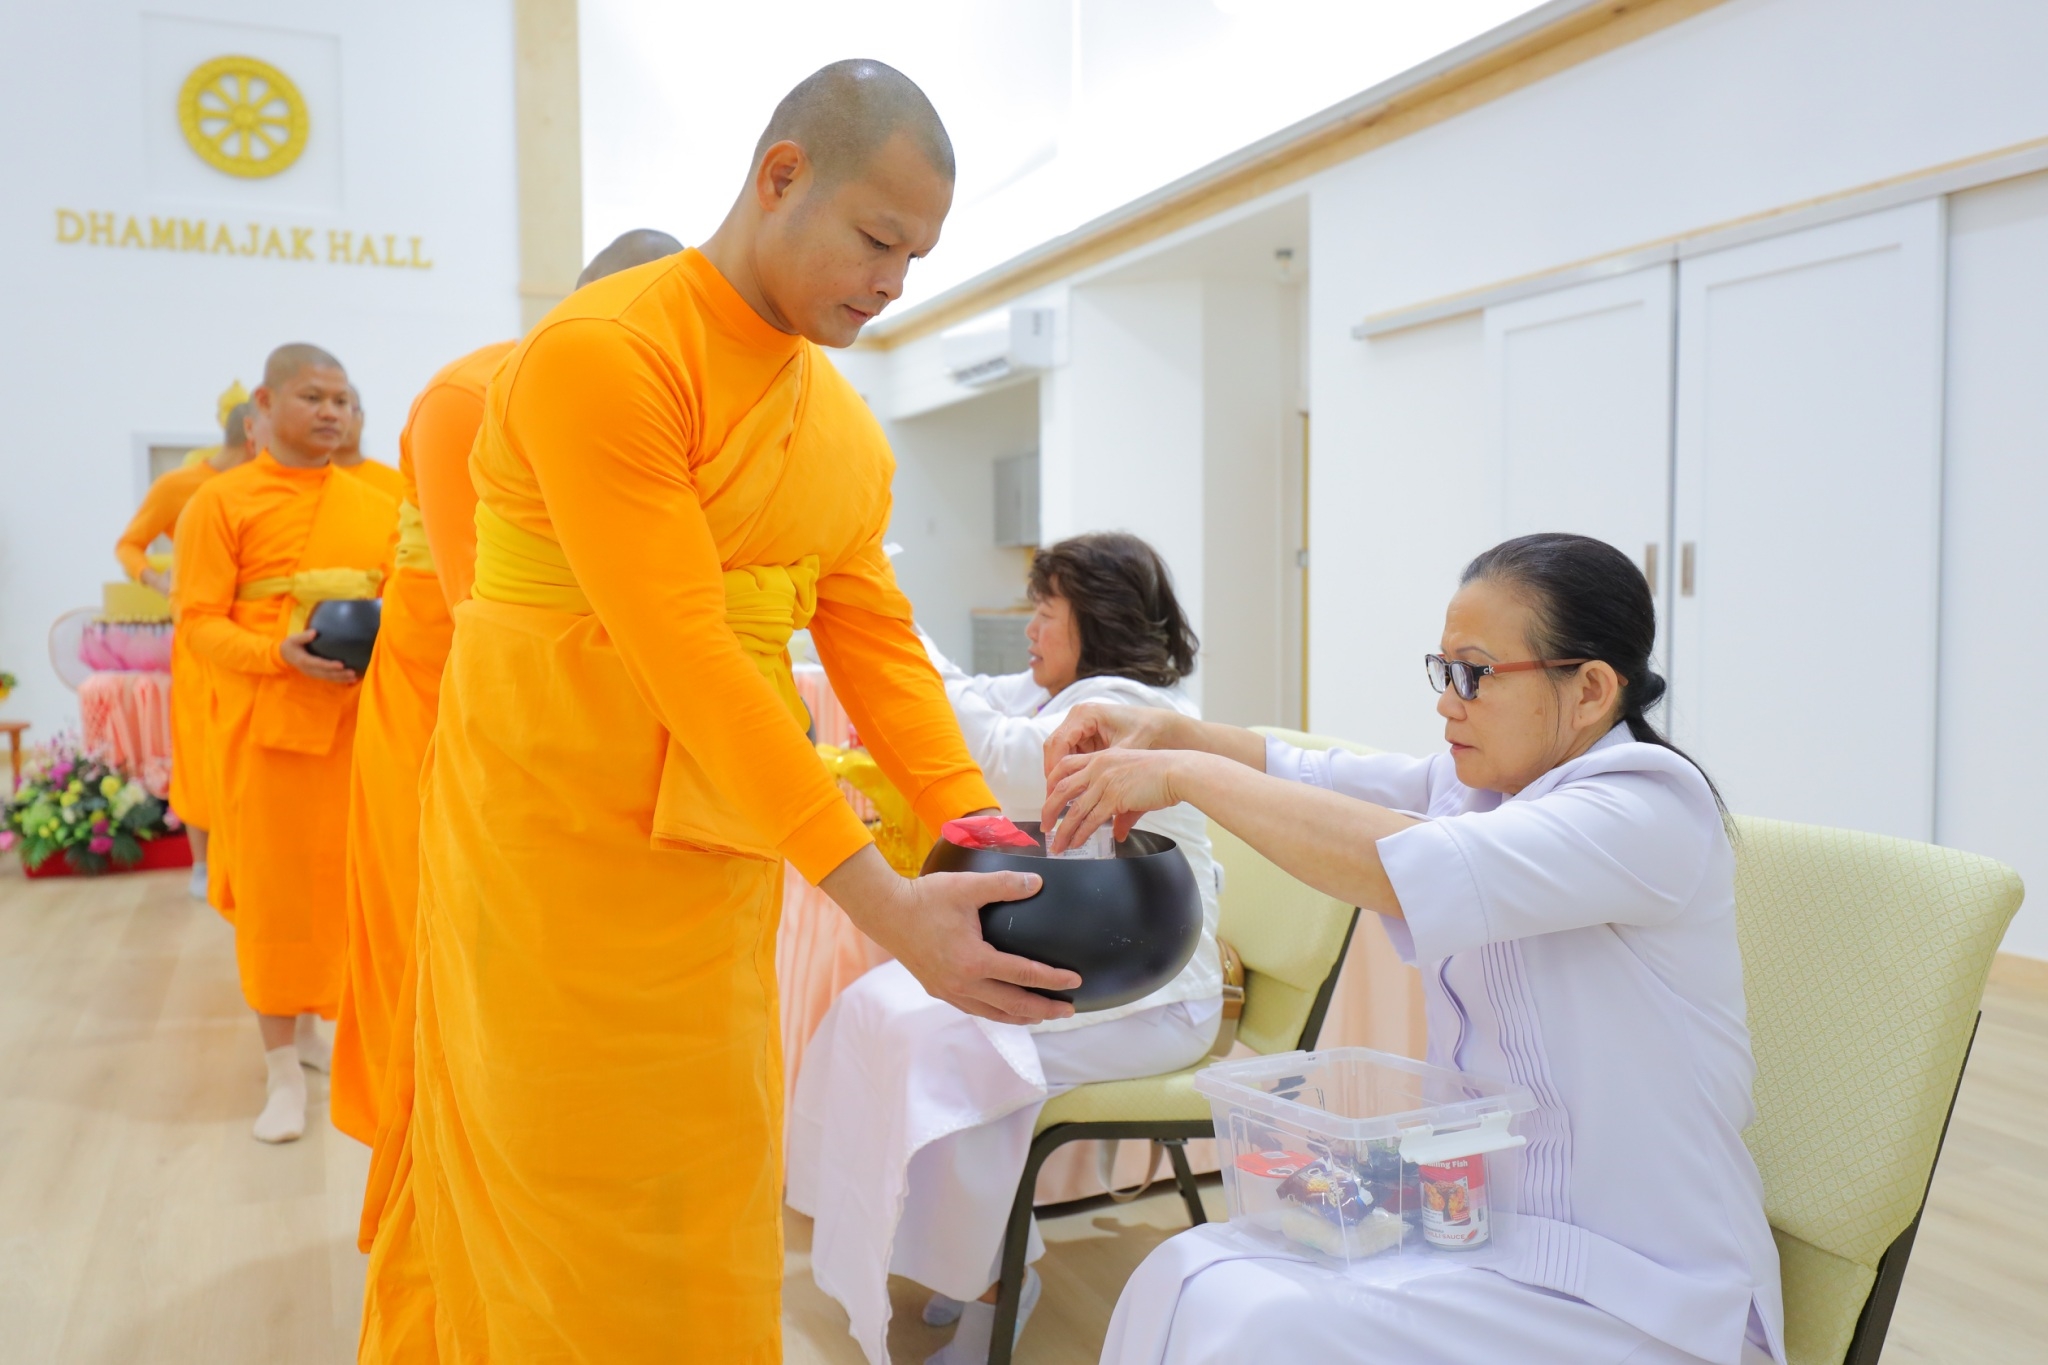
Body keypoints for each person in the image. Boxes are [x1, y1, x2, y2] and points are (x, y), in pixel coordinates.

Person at [357, 62, 1077, 1363]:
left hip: (714, 858)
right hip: (548, 841)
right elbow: (684, 653)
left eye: (915, 258)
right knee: (559, 1169)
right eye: (877, 239)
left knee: (700, 1174)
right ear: (781, 175)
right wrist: (880, 903)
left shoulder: (843, 431)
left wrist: (975, 827)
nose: (891, 283)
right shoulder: (606, 353)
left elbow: (876, 645)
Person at [1042, 533, 1782, 1365]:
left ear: (1591, 690)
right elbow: (1311, 775)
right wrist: (1170, 731)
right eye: (1443, 671)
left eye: (1475, 673)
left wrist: (1182, 774)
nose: (1448, 702)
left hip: (1647, 1293)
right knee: (1189, 1269)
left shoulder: (1649, 809)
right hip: (1492, 1237)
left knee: (1259, 1324)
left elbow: (1398, 863)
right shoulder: (1483, 790)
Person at [787, 531, 1224, 1365]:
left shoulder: (1122, 712)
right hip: (1084, 974)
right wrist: (872, 612)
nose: (1030, 630)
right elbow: (951, 690)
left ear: (1091, 619)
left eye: (1044, 611)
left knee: (947, 1042)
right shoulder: (1052, 693)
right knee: (874, 1006)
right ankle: (961, 1259)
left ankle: (996, 1283)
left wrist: (859, 591)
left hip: (1155, 998)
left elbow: (991, 756)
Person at [331, 228, 687, 1150]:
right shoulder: (472, 396)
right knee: (436, 952)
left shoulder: (668, 404)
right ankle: (427, 1194)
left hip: (570, 713)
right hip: (443, 708)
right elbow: (481, 609)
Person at [174, 343, 397, 1145]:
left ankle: (326, 1037)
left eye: (342, 398)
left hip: (356, 725)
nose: (332, 411)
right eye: (313, 396)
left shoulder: (381, 499)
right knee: (275, 901)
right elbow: (197, 622)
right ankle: (279, 1072)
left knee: (346, 889)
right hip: (267, 727)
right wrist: (278, 655)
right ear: (264, 405)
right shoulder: (219, 502)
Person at [118, 403, 257, 898]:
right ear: (252, 428)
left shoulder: (269, 485)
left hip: (257, 629)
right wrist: (159, 578)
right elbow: (129, 545)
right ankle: (202, 862)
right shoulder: (180, 487)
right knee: (200, 739)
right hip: (201, 627)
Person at [335, 386, 408, 500]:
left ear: (362, 418)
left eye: (347, 409)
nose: (337, 418)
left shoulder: (399, 485)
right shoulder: (302, 484)